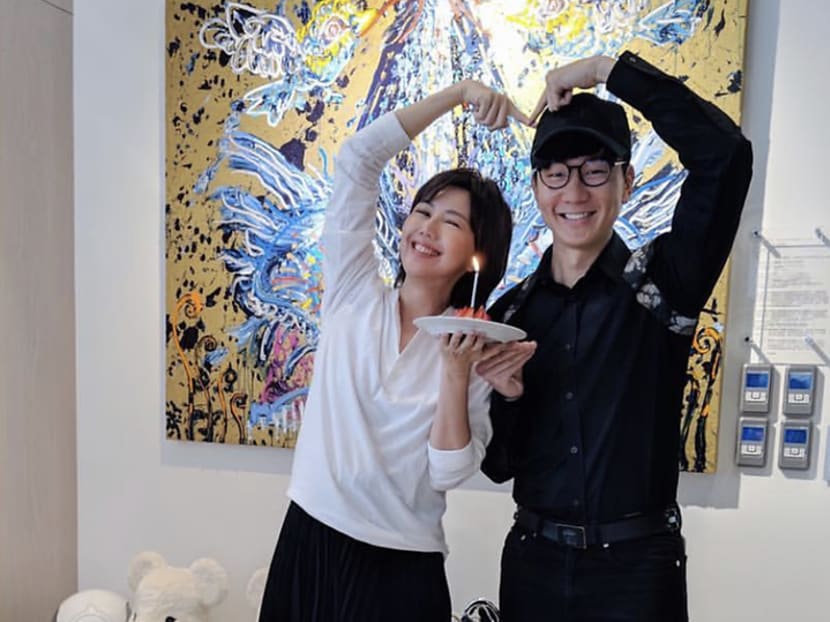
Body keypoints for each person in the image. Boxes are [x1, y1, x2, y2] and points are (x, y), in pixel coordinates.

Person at [477, 51, 753, 621]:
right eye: (557, 173)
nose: (575, 192)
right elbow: (498, 464)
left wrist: (606, 71)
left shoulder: (664, 284)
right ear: (537, 188)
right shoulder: (511, 313)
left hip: (637, 572)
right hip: (532, 563)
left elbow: (725, 156)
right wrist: (509, 398)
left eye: (595, 170)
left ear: (626, 181)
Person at [258, 81, 535, 622]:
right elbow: (359, 159)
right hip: (310, 539)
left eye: (451, 223)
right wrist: (459, 95)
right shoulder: (353, 290)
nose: (426, 229)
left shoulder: (476, 346)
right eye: (422, 212)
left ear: (478, 254)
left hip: (402, 566)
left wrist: (455, 373)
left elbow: (449, 472)